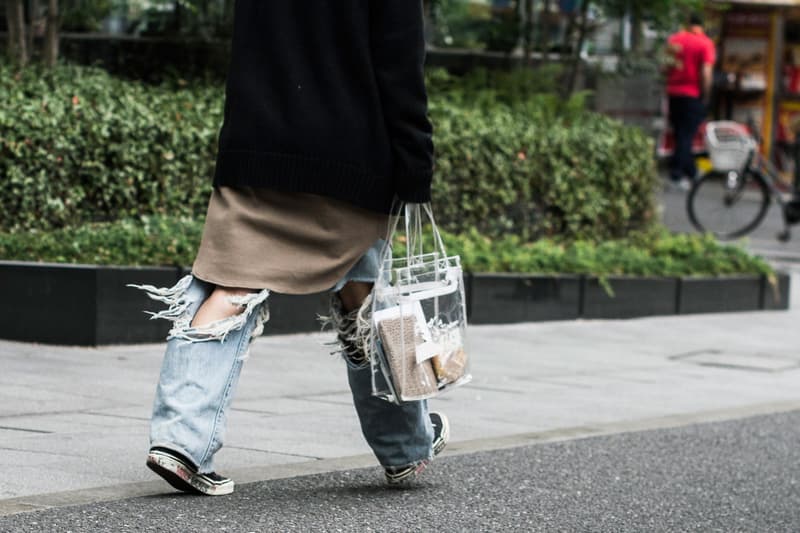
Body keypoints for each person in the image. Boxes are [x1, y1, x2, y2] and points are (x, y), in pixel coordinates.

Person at [132, 1, 449, 496]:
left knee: (232, 283)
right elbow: (399, 65)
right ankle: (407, 448)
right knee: (367, 301)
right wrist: (416, 163)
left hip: (257, 146)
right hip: (351, 156)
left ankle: (179, 441)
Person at [665, 12, 717, 190]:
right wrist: (706, 94)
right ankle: (677, 174)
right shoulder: (705, 43)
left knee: (680, 133)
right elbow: (706, 72)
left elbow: (665, 66)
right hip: (692, 94)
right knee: (687, 135)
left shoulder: (674, 40)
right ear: (702, 26)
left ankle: (691, 172)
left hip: (673, 93)